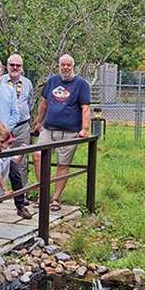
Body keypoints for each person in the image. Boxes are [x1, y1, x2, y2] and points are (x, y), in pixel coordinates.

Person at [31, 54, 91, 212]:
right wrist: (38, 122)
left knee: (62, 165)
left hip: (69, 132)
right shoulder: (52, 81)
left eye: (68, 65)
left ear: (73, 66)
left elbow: (85, 108)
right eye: (62, 65)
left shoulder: (81, 84)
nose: (65, 68)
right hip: (48, 129)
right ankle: (42, 194)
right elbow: (43, 103)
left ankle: (56, 198)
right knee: (37, 155)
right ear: (58, 66)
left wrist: (85, 129)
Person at [1, 54, 34, 220]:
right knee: (0, 162)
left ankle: (21, 196)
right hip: (4, 129)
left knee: (21, 162)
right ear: (7, 66)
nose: (14, 68)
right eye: (11, 64)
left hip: (22, 127)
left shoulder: (27, 83)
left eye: (18, 65)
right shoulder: (0, 81)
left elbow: (30, 103)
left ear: (22, 67)